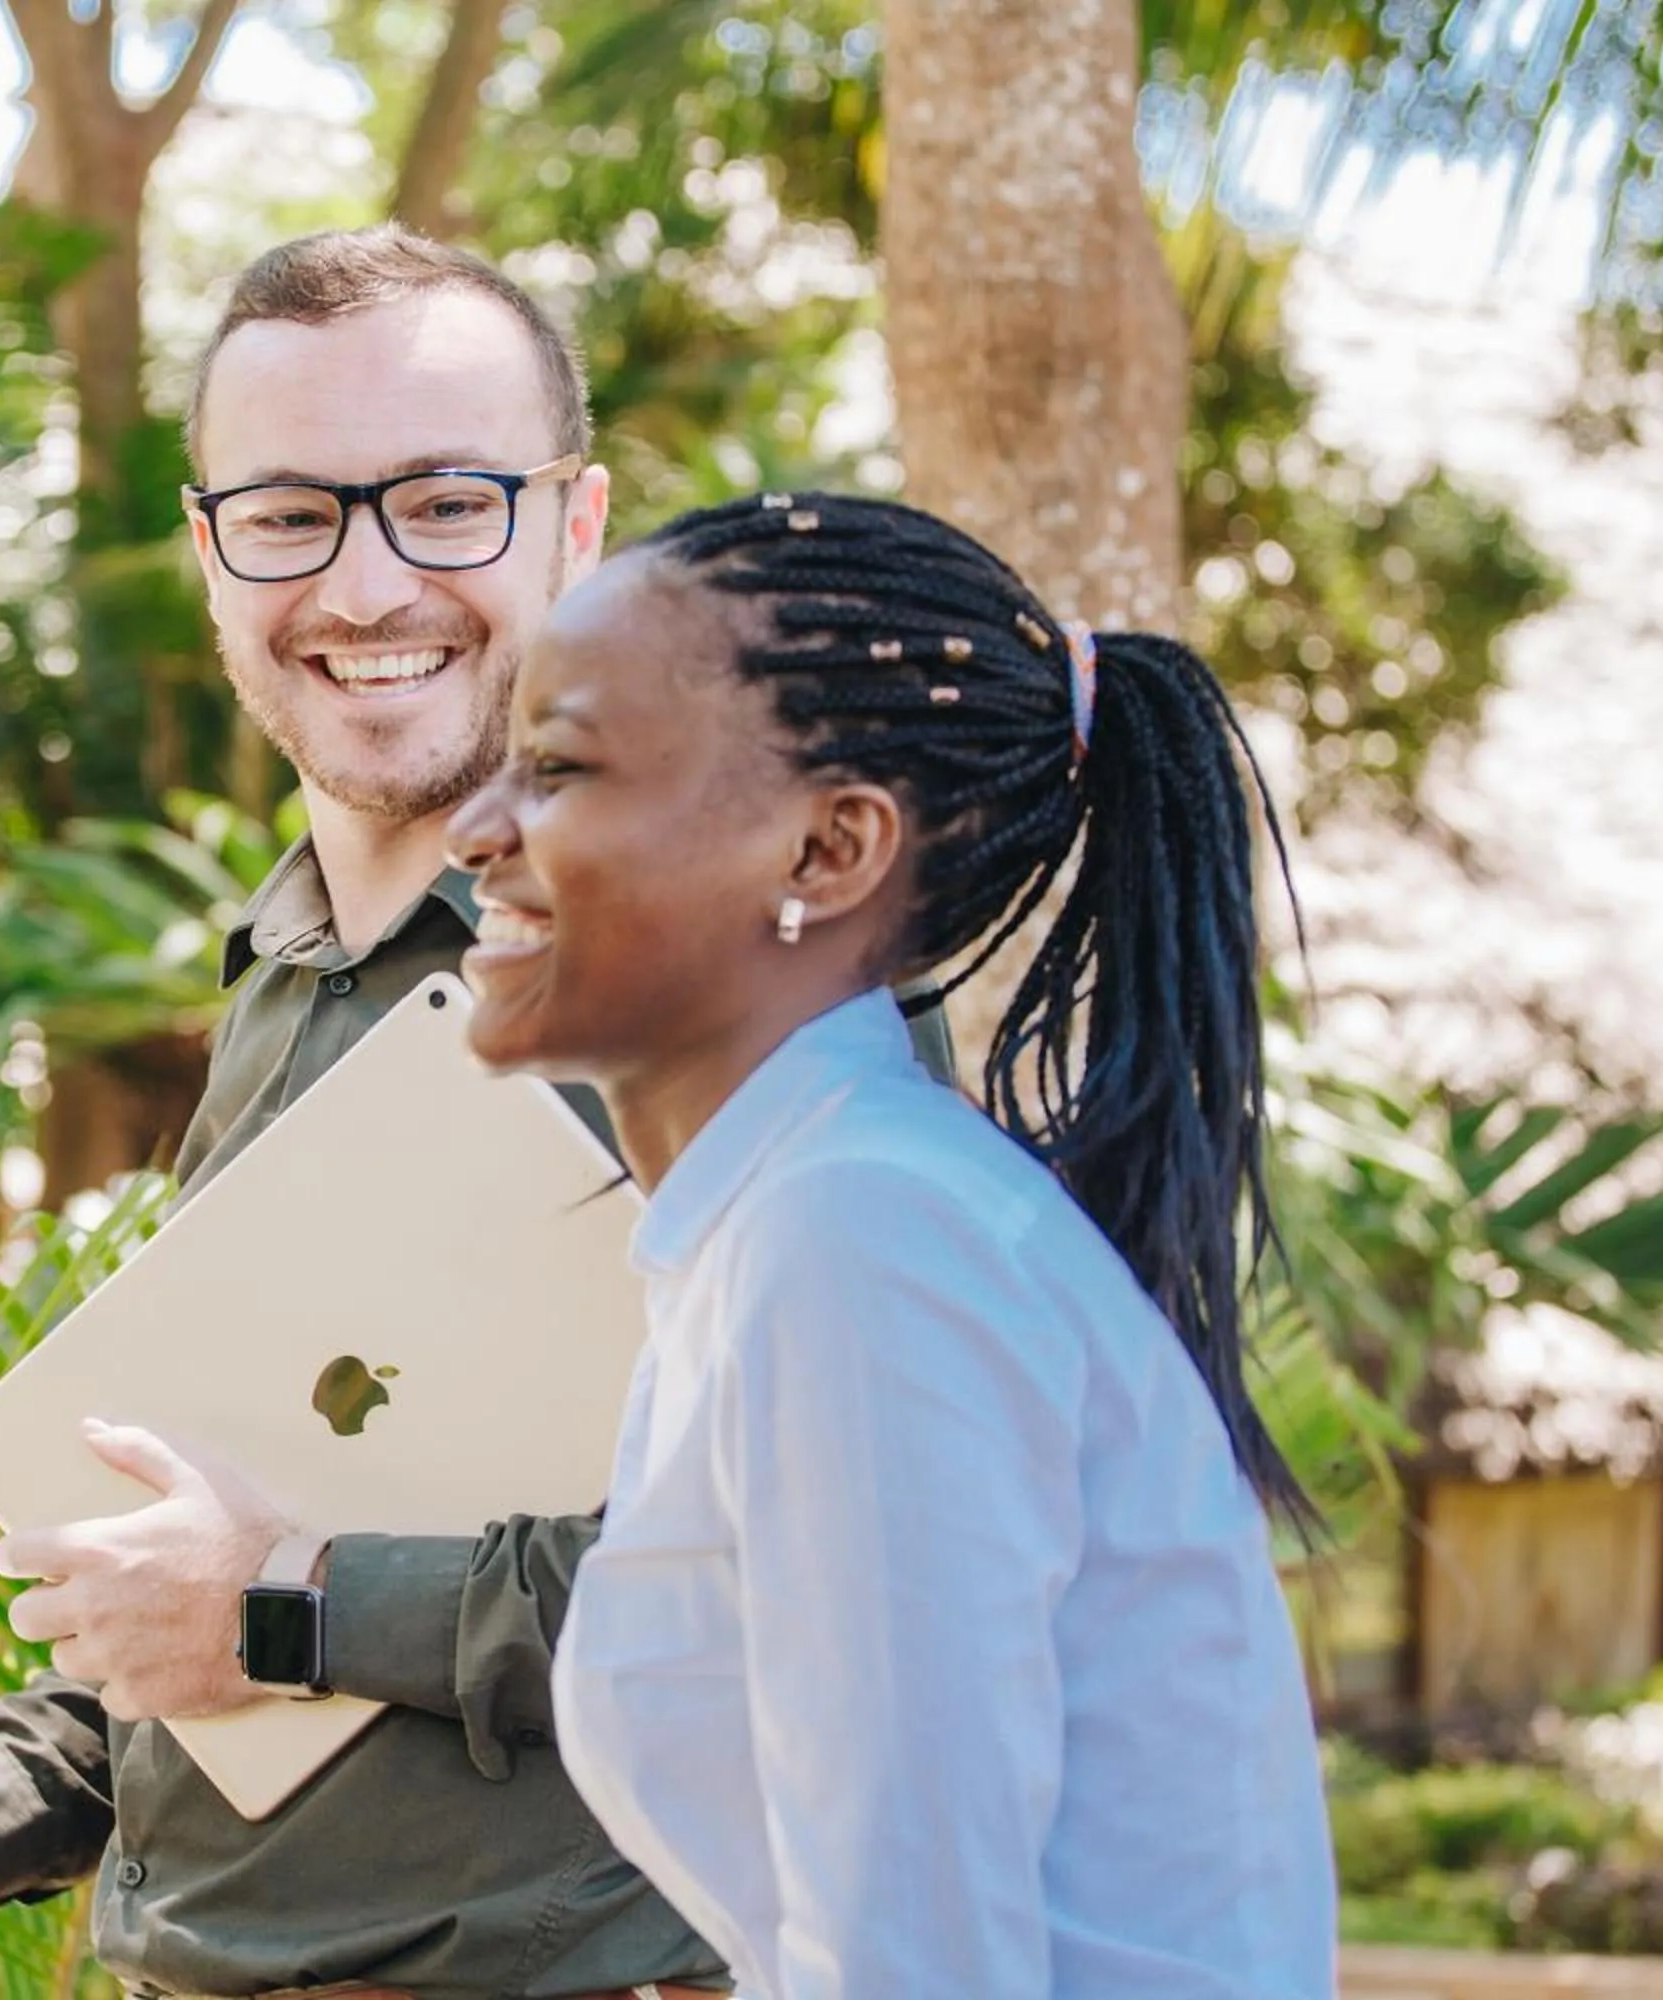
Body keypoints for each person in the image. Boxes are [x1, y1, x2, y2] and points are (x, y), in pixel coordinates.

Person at [0, 229, 957, 2000]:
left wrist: (287, 1605)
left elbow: (853, 1573)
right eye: (292, 514)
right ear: (211, 554)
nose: (367, 588)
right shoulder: (282, 987)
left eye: (447, 503)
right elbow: (206, 1609)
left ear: (578, 528)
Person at [440, 490, 1340, 1999]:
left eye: (562, 769)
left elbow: (916, 1959)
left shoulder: (858, 1237)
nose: (478, 834)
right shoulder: (802, 1215)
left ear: (828, 849)